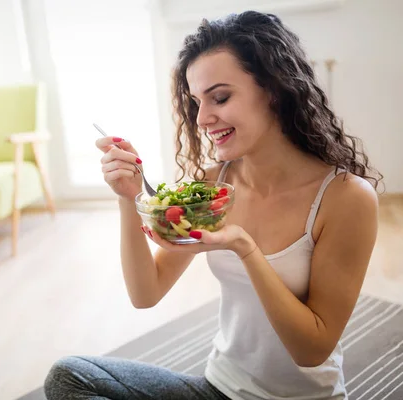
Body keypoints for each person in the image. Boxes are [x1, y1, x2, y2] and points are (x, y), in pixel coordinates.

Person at [44, 10, 382, 400]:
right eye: (196, 102)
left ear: (274, 88)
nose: (203, 118)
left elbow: (312, 350)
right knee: (69, 377)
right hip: (218, 389)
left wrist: (244, 247)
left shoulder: (345, 198)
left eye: (220, 97)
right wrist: (130, 198)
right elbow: (146, 292)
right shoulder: (212, 184)